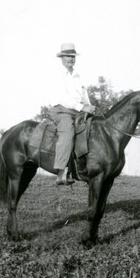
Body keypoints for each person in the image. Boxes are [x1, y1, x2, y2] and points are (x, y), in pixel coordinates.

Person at [49, 43, 95, 185]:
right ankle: (61, 173)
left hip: (78, 111)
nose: (71, 59)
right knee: (68, 131)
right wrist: (82, 107)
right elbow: (62, 98)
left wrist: (89, 106)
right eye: (68, 56)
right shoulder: (57, 74)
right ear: (62, 58)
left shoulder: (78, 76)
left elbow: (84, 94)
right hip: (61, 110)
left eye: (73, 56)